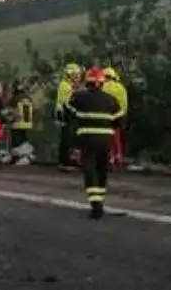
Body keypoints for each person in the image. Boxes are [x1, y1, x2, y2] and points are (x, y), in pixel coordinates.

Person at [67, 66, 124, 219]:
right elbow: (118, 122)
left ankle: (96, 205)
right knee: (102, 170)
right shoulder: (112, 100)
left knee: (90, 170)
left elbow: (68, 113)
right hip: (105, 141)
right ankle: (100, 201)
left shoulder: (78, 97)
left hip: (86, 140)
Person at [54, 64, 83, 169]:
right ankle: (65, 161)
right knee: (67, 138)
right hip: (65, 115)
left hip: (67, 114)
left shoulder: (67, 84)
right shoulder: (65, 85)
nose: (78, 78)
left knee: (69, 138)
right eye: (75, 75)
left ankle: (67, 160)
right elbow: (68, 103)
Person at [102, 67, 129, 169]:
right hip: (119, 115)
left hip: (106, 115)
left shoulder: (103, 86)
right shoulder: (121, 87)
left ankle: (110, 157)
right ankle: (118, 157)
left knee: (107, 138)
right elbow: (124, 103)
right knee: (116, 137)